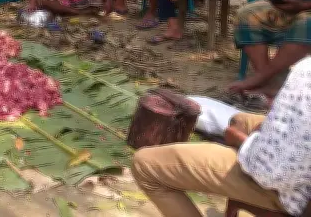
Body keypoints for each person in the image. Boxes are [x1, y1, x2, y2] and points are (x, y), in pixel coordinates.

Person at [132, 56, 311, 217]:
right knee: (239, 120)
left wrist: (243, 142)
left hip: (295, 192)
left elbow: (273, 172)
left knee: (145, 165)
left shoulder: (306, 73)